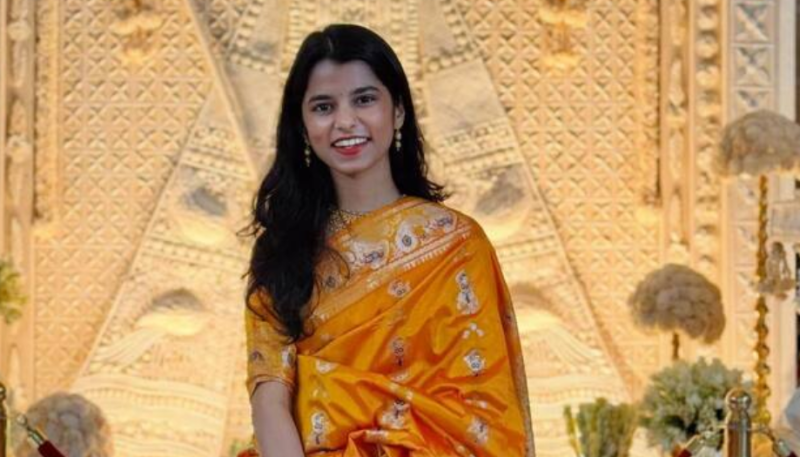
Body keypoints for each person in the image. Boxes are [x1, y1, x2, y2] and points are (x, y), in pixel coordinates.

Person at [243, 23, 535, 457]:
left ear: (397, 111)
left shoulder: (457, 245)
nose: (346, 121)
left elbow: (483, 413)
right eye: (323, 107)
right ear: (302, 126)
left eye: (364, 99)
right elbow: (269, 398)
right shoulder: (282, 250)